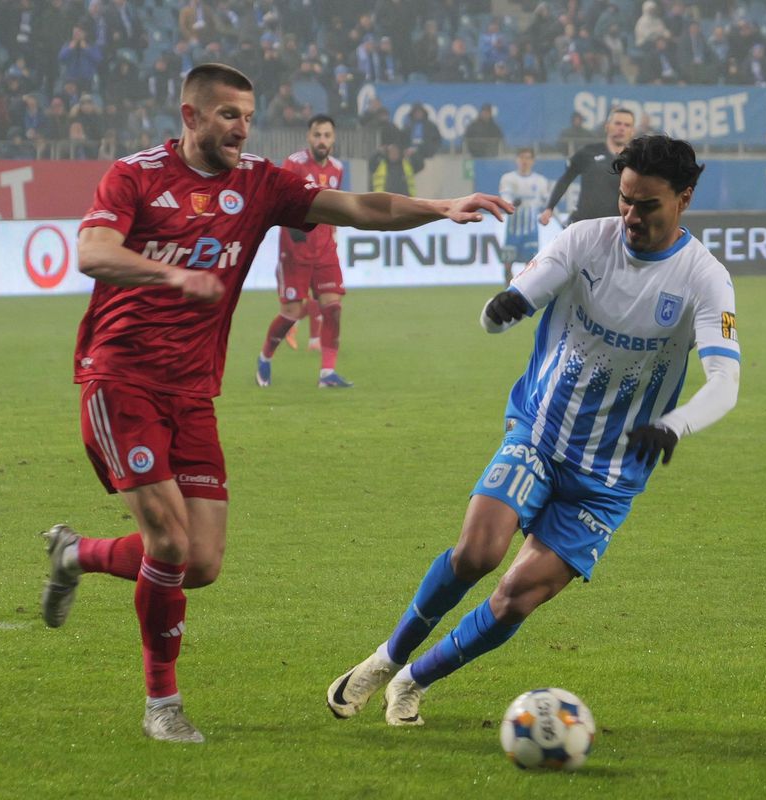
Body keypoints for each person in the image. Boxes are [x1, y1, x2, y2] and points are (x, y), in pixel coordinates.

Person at [37, 63, 512, 745]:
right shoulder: (135, 175)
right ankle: (162, 704)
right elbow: (91, 252)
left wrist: (438, 207)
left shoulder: (259, 183)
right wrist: (173, 275)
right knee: (168, 540)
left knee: (200, 562)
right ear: (191, 116)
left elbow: (359, 208)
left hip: (193, 392)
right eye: (228, 115)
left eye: (249, 117)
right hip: (120, 379)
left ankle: (76, 554)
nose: (242, 129)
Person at [325, 134, 740, 727]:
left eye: (647, 205)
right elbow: (520, 297)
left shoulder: (705, 279)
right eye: (625, 199)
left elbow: (725, 381)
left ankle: (414, 680)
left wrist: (675, 426)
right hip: (541, 434)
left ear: (684, 199)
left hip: (609, 475)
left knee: (514, 598)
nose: (631, 215)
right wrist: (504, 309)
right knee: (478, 553)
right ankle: (385, 659)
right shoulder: (585, 240)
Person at [255, 114, 352, 388]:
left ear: (333, 139)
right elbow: (280, 199)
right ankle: (265, 358)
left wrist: (333, 233)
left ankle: (327, 373)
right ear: (309, 137)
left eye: (327, 135)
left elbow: (333, 207)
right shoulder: (294, 164)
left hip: (325, 250)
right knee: (290, 314)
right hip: (295, 251)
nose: (322, 140)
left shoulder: (337, 168)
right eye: (317, 135)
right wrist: (294, 226)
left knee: (333, 308)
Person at [540, 107, 635, 227]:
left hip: (615, 226)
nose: (621, 128)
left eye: (627, 125)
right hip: (584, 223)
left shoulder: (635, 160)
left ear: (633, 131)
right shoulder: (588, 152)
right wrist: (550, 207)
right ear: (607, 126)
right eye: (618, 123)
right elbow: (565, 179)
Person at [498, 147, 551, 284]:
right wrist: (511, 203)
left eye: (528, 158)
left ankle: (526, 291)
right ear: (517, 160)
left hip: (531, 229)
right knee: (507, 265)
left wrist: (549, 214)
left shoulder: (540, 181)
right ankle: (509, 291)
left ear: (533, 161)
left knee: (530, 265)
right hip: (513, 230)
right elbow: (505, 197)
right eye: (522, 157)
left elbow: (548, 203)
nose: (524, 161)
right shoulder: (508, 178)